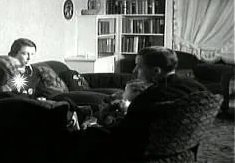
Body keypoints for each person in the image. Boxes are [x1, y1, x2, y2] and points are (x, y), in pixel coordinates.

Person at [71, 46, 208, 161]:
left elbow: (122, 135)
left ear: (156, 71)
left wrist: (97, 124)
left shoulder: (149, 97)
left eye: (139, 66)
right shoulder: (198, 88)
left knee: (83, 137)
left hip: (139, 152)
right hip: (181, 148)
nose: (134, 71)